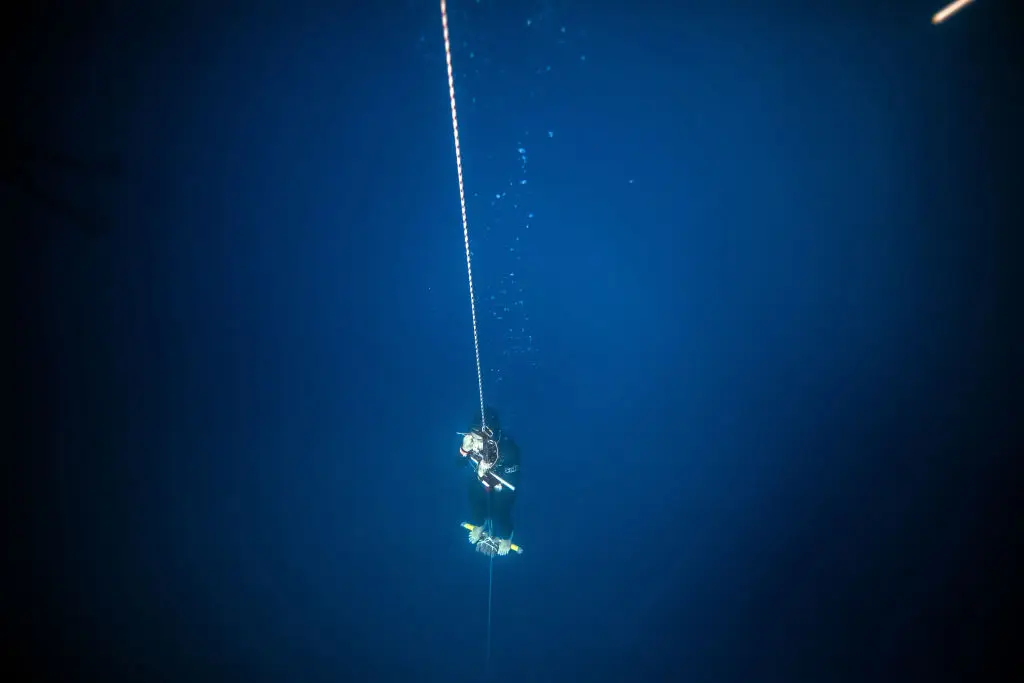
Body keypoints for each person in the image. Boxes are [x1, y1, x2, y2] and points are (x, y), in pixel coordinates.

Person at [459, 406, 520, 556]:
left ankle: (507, 536)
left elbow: (510, 485)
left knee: (501, 509)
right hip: (481, 481)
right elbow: (458, 464)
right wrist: (464, 450)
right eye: (473, 438)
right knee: (474, 498)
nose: (476, 444)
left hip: (503, 488)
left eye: (479, 440)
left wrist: (485, 474)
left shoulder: (508, 451)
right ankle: (480, 524)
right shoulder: (471, 444)